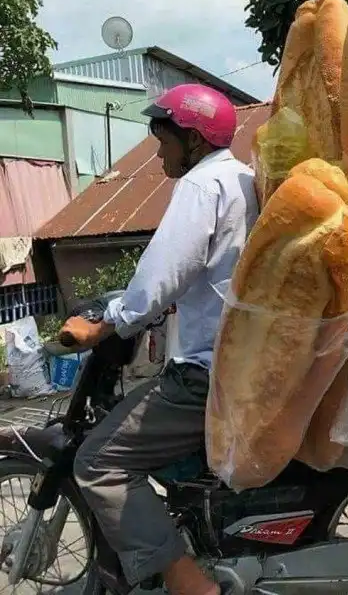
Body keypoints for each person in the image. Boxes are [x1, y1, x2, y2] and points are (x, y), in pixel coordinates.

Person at [61, 84, 259, 595]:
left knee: (98, 462)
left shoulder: (201, 185)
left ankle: (189, 582)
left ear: (193, 140)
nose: (158, 153)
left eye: (163, 140)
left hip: (205, 375)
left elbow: (162, 275)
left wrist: (104, 323)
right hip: (246, 363)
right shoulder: (245, 179)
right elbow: (213, 272)